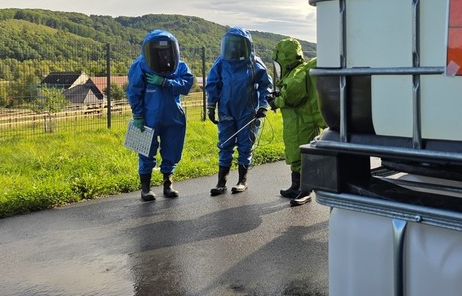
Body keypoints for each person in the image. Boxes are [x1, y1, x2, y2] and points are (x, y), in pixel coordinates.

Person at [126, 29, 195, 201]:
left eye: (166, 51)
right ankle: (145, 188)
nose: (164, 55)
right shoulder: (140, 65)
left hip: (173, 116)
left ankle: (168, 184)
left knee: (172, 149)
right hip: (148, 116)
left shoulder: (180, 65)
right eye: (159, 51)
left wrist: (166, 82)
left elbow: (187, 85)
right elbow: (134, 91)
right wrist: (138, 115)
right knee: (145, 151)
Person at [205, 27, 273, 196]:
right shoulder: (221, 63)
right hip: (226, 109)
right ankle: (221, 182)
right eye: (231, 45)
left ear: (246, 45)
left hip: (247, 111)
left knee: (245, 144)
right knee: (225, 144)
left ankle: (242, 180)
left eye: (238, 45)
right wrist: (211, 105)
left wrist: (263, 105)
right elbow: (213, 83)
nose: (234, 49)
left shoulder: (254, 63)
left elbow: (266, 85)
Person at [269, 38, 326, 206]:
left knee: (303, 154)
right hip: (294, 121)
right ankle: (295, 186)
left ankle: (305, 190)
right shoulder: (295, 72)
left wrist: (276, 101)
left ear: (285, 60)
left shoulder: (297, 74)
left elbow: (292, 96)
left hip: (303, 121)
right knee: (294, 152)